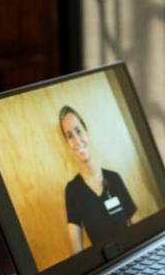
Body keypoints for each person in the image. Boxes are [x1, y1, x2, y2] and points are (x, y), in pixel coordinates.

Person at [60, 106, 139, 253]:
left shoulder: (114, 178)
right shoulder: (72, 190)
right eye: (69, 136)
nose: (77, 141)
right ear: (67, 143)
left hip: (132, 255)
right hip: (105, 266)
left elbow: (137, 227)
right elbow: (77, 253)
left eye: (78, 131)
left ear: (86, 131)